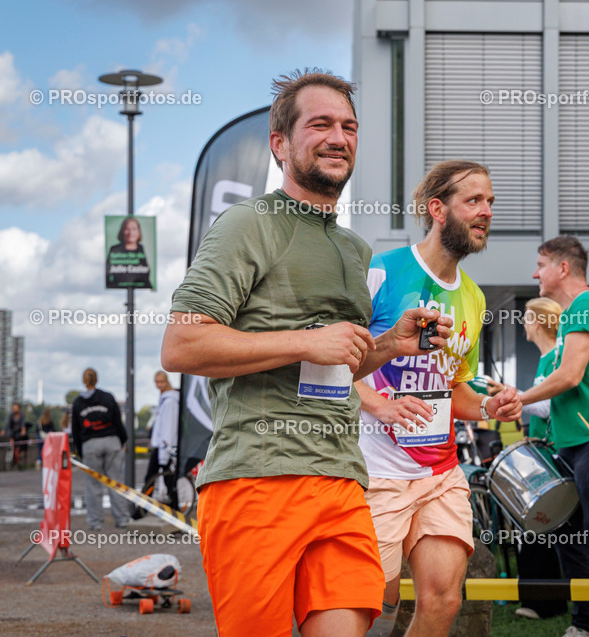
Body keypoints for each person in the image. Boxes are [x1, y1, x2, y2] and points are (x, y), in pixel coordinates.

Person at [161, 69, 453, 637]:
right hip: (257, 479)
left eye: (348, 126)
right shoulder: (248, 224)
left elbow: (334, 363)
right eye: (320, 124)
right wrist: (306, 339)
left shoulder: (352, 246)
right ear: (280, 144)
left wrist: (391, 345)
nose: (338, 137)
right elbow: (181, 344)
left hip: (342, 479)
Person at [355, 159, 522, 637]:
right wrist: (379, 404)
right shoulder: (382, 273)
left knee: (444, 599)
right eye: (474, 200)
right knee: (370, 604)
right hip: (377, 471)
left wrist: (489, 407)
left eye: (490, 202)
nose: (486, 211)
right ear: (438, 209)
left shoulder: (473, 296)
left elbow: (454, 387)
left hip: (441, 473)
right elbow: (329, 365)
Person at [519, 236, 589, 637]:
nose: (535, 273)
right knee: (568, 534)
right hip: (574, 440)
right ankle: (585, 623)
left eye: (541, 264)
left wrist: (519, 397)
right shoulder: (574, 312)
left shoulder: (588, 305)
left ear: (563, 268)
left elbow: (569, 376)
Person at [501, 296, 567, 621]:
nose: (523, 324)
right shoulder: (545, 359)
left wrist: (512, 397)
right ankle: (541, 600)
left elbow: (550, 405)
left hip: (555, 454)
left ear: (539, 322)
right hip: (543, 452)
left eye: (527, 318)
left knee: (543, 528)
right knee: (537, 528)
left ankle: (547, 601)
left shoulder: (557, 358)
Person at [70, 369, 131, 530]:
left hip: (90, 444)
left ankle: (95, 522)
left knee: (92, 485)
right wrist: (123, 441)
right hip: (112, 441)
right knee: (116, 482)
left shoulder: (77, 403)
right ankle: (122, 519)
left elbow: (75, 430)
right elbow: (118, 422)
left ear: (84, 381)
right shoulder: (108, 397)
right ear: (97, 379)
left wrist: (79, 450)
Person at [137, 371, 180, 514]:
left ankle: (142, 510)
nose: (159, 385)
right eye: (157, 382)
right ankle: (176, 510)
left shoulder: (169, 401)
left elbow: (168, 426)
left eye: (161, 382)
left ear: (166, 381)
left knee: (151, 478)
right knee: (167, 479)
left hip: (164, 446)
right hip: (164, 445)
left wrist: (164, 448)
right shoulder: (167, 399)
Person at [106, 216, 152, 289]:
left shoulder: (141, 248)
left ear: (138, 231)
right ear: (122, 231)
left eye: (134, 229)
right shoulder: (114, 250)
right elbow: (108, 274)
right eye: (127, 229)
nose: (130, 232)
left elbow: (146, 274)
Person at [5, 402, 29, 469]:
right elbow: (8, 424)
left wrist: (23, 430)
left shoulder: (22, 415)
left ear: (19, 408)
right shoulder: (11, 415)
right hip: (13, 433)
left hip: (20, 432)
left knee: (24, 438)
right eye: (13, 408)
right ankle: (13, 459)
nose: (14, 409)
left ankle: (22, 452)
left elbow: (23, 424)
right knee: (12, 443)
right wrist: (4, 430)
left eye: (15, 408)